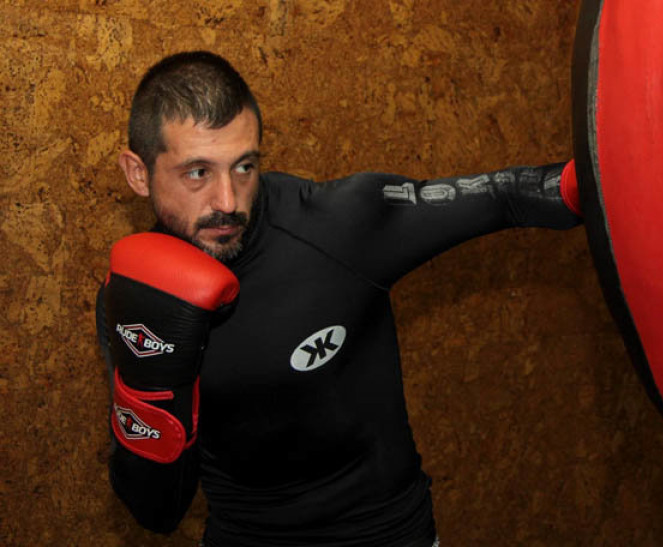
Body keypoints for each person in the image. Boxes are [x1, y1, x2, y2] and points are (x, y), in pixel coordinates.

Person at [96, 50, 581, 546]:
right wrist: (149, 393)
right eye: (197, 172)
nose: (227, 200)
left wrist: (619, 179)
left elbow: (506, 196)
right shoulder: (133, 297)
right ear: (138, 173)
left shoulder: (336, 227)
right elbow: (157, 510)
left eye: (244, 167)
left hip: (387, 537)